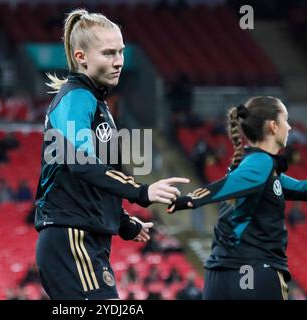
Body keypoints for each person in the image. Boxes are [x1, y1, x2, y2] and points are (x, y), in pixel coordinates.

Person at [34, 8, 189, 300]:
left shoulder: (97, 103)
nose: (118, 62)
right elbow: (81, 164)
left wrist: (123, 222)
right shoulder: (76, 98)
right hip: (71, 239)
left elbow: (96, 177)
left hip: (85, 239)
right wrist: (142, 192)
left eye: (120, 52)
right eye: (108, 53)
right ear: (81, 57)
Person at [167, 96, 307, 300]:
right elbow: (229, 185)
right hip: (253, 270)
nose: (290, 127)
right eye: (286, 120)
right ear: (273, 126)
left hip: (219, 273)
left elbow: (304, 188)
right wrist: (191, 199)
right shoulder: (261, 163)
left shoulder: (259, 168)